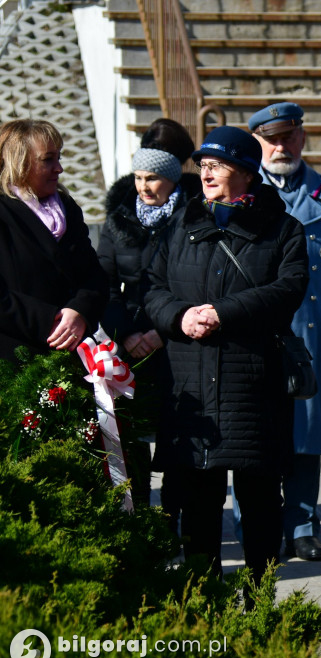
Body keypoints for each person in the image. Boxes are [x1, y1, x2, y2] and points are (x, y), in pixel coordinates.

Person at [144, 126, 308, 588]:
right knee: (197, 500)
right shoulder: (180, 224)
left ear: (246, 172)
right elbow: (151, 288)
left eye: (217, 165)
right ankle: (204, 599)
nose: (206, 174)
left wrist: (223, 313)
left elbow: (287, 289)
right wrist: (180, 318)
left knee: (259, 502)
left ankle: (259, 600)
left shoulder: (282, 227)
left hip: (253, 384)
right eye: (203, 166)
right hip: (190, 385)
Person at [248, 102, 321, 562]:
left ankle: (305, 524)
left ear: (302, 138)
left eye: (288, 136)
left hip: (312, 334)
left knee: (307, 436)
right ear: (257, 143)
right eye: (271, 139)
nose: (280, 147)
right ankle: (257, 525)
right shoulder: (242, 192)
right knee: (254, 435)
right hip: (257, 332)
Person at [98, 118, 201, 511]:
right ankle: (138, 516)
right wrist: (125, 334)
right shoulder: (118, 219)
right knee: (132, 440)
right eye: (139, 177)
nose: (144, 186)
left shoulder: (195, 216)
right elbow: (103, 284)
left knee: (179, 444)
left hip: (177, 342)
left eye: (154, 178)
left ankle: (174, 524)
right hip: (131, 347)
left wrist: (164, 331)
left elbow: (195, 285)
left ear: (173, 178)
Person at [0, 119, 107, 363]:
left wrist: (79, 311)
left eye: (59, 158)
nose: (59, 168)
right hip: (16, 362)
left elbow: (94, 276)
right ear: (19, 162)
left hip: (71, 354)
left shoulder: (67, 208)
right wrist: (52, 320)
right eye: (48, 160)